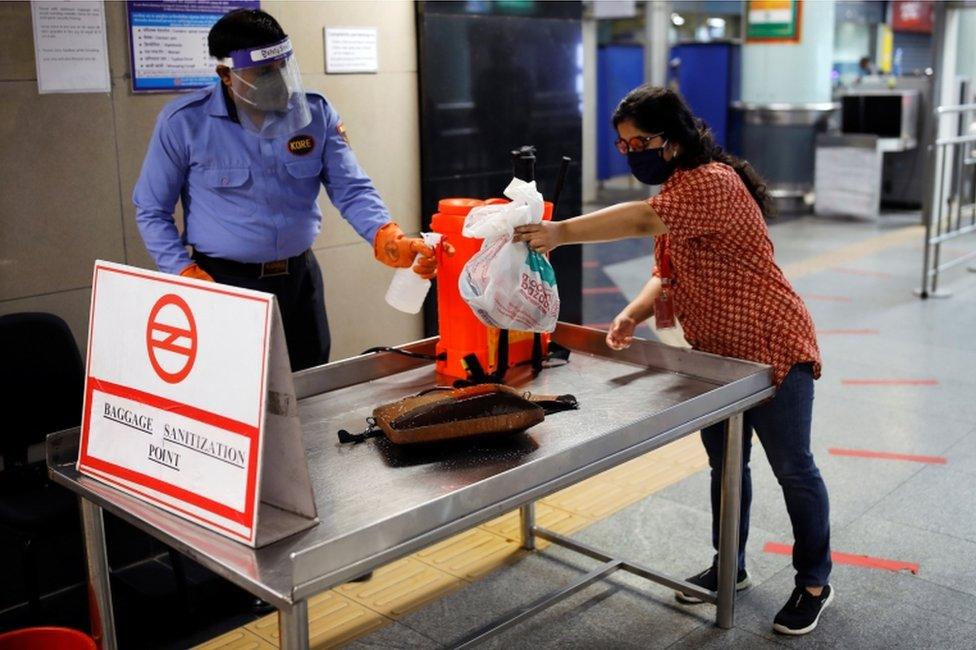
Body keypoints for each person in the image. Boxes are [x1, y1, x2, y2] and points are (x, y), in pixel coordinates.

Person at [514, 85, 833, 636]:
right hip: (716, 359)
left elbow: (641, 221)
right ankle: (729, 566)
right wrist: (634, 314)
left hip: (773, 346)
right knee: (727, 465)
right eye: (623, 144)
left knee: (794, 470)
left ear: (677, 137)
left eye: (641, 141)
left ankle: (814, 581)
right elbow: (667, 269)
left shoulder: (711, 182)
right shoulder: (681, 186)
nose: (633, 151)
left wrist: (562, 232)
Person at [134, 8, 441, 372]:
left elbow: (351, 188)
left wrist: (386, 235)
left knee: (309, 386)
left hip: (299, 280)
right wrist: (182, 271)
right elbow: (151, 210)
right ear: (226, 75)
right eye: (263, 72)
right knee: (236, 389)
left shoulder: (313, 113)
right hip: (225, 283)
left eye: (281, 67)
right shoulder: (185, 122)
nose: (277, 80)